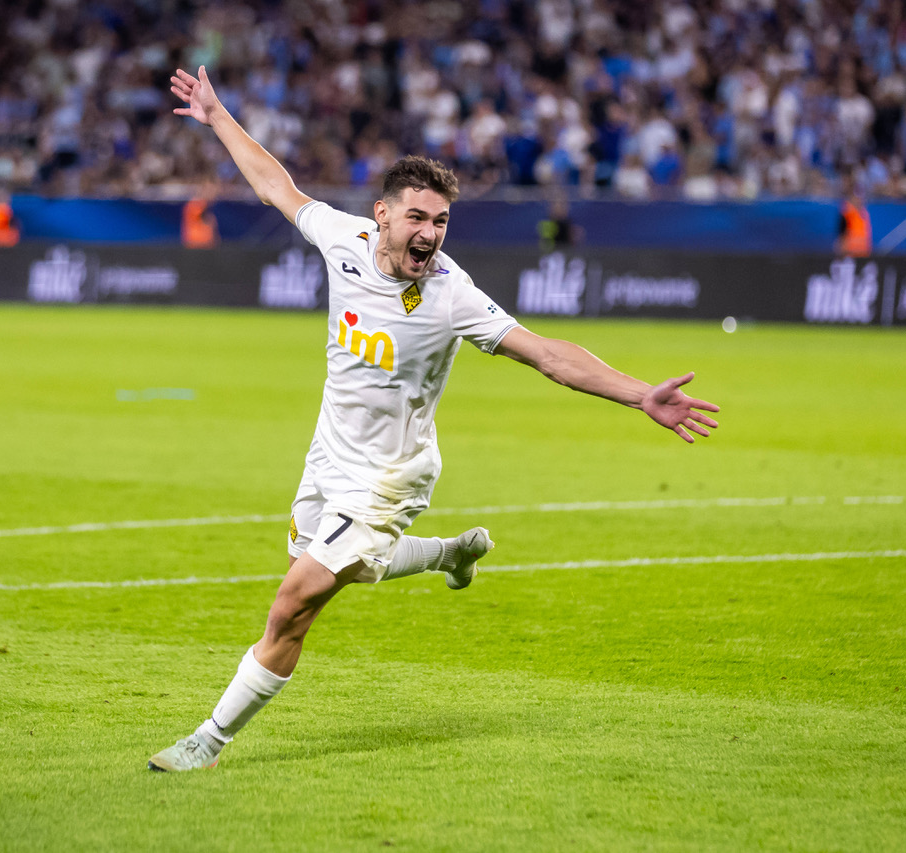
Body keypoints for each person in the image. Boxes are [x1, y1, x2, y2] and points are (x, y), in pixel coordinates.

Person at [148, 67, 721, 772]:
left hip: (393, 474)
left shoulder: (453, 296)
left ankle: (208, 739)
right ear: (383, 215)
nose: (430, 234)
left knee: (294, 602)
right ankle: (453, 551)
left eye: (442, 220)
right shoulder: (344, 241)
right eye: (417, 217)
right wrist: (216, 113)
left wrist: (639, 394)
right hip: (329, 455)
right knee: (335, 567)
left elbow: (547, 354)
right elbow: (275, 184)